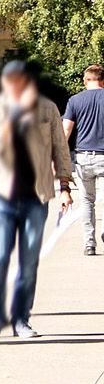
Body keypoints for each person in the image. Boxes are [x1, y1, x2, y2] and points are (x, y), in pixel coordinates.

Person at [0, 57, 74, 337]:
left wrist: (65, 187)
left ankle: (21, 319)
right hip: (1, 198)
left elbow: (60, 148)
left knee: (29, 261)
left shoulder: (47, 109)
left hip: (36, 197)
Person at [67, 65, 104, 255]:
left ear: (85, 80)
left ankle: (89, 244)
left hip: (83, 157)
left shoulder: (75, 100)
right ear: (103, 80)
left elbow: (66, 130)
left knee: (87, 201)